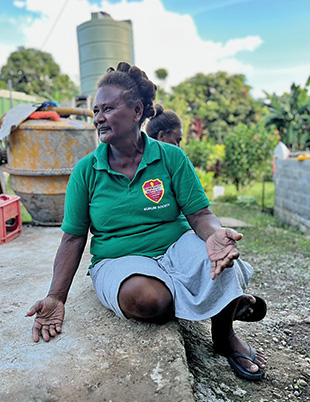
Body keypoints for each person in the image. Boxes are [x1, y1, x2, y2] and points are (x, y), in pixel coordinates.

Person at [27, 62, 267, 381]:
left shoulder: (171, 158)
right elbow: (73, 238)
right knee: (150, 300)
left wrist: (213, 234)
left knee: (221, 260)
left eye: (108, 108)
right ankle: (224, 303)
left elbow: (199, 214)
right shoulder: (85, 171)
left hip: (175, 245)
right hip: (119, 258)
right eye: (96, 110)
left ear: (137, 110)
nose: (98, 117)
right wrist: (57, 296)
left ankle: (224, 336)